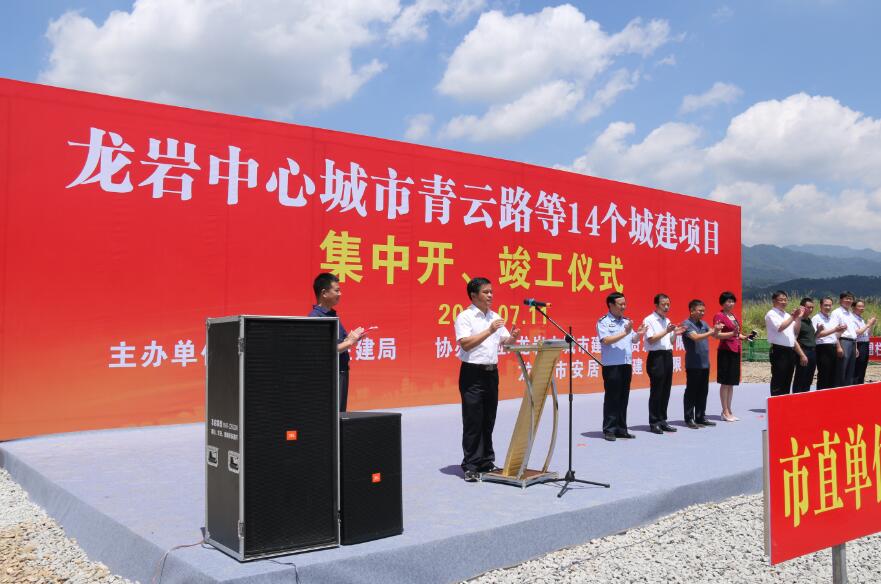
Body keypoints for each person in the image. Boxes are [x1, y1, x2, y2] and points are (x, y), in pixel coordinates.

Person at [454, 277, 521, 482]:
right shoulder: (465, 317)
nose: (490, 295)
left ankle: (486, 461)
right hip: (472, 373)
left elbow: (505, 343)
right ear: (473, 295)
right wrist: (490, 330)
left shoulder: (495, 316)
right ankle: (471, 465)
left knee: (488, 418)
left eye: (491, 291)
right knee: (473, 420)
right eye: (486, 292)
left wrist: (512, 338)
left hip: (491, 373)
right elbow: (465, 344)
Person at [309, 273, 367, 412]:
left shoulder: (332, 315)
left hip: (341, 371)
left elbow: (340, 342)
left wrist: (353, 338)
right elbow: (323, 350)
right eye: (336, 290)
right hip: (329, 376)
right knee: (332, 416)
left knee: (339, 414)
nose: (340, 294)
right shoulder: (316, 318)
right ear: (324, 293)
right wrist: (350, 342)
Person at [598, 292, 646, 441]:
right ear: (611, 305)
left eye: (625, 304)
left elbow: (634, 340)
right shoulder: (603, 321)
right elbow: (606, 340)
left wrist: (639, 334)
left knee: (623, 397)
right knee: (612, 397)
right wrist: (625, 332)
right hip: (612, 365)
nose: (624, 307)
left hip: (626, 364)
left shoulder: (626, 321)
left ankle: (621, 428)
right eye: (621, 304)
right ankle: (609, 429)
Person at [642, 294, 686, 434]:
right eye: (663, 304)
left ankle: (662, 420)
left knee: (666, 390)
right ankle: (654, 422)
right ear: (656, 305)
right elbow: (651, 339)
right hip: (656, 357)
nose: (666, 307)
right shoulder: (649, 320)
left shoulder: (667, 320)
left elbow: (670, 341)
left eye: (668, 304)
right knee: (657, 390)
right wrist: (667, 330)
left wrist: (675, 333)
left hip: (667, 355)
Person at [681, 299, 723, 429]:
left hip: (705, 364)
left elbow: (715, 335)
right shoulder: (686, 324)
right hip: (693, 364)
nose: (702, 313)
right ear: (692, 311)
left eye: (704, 311)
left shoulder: (703, 323)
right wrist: (712, 331)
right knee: (691, 391)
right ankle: (689, 418)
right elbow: (696, 337)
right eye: (700, 311)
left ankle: (700, 417)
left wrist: (717, 329)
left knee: (703, 391)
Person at [714, 291, 750, 422]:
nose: (731, 303)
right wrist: (732, 334)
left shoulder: (733, 316)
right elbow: (717, 335)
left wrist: (745, 337)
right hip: (725, 351)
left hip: (735, 350)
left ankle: (729, 410)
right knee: (725, 382)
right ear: (722, 303)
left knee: (731, 383)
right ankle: (724, 411)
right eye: (728, 301)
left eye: (732, 301)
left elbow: (736, 333)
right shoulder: (719, 316)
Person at [764, 291, 804, 396]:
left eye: (785, 300)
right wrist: (793, 317)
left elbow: (796, 331)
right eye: (781, 300)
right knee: (779, 379)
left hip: (790, 350)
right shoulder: (771, 314)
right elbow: (780, 327)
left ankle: (784, 402)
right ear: (774, 301)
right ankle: (775, 403)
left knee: (787, 379)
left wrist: (798, 318)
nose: (784, 302)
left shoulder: (786, 315)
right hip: (779, 350)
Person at [812, 296, 846, 390]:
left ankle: (830, 395)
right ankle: (821, 395)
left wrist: (841, 333)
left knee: (833, 374)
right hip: (822, 348)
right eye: (825, 305)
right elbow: (817, 335)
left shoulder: (831, 318)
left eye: (830, 305)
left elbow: (834, 335)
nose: (828, 307)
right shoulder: (816, 318)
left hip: (833, 346)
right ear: (820, 305)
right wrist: (835, 329)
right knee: (824, 374)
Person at [832, 291, 858, 387]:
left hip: (852, 342)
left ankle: (847, 390)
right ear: (840, 300)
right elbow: (834, 331)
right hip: (843, 342)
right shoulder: (836, 313)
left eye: (850, 299)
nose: (848, 300)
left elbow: (853, 332)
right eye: (846, 298)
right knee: (841, 369)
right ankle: (839, 391)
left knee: (850, 370)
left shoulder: (850, 314)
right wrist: (838, 346)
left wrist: (855, 347)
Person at [791, 298, 817, 393]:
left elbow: (811, 337)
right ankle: (797, 398)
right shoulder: (797, 320)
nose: (811, 309)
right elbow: (794, 338)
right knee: (800, 378)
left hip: (812, 351)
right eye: (808, 307)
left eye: (812, 307)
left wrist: (818, 331)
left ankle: (806, 398)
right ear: (802, 307)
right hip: (803, 351)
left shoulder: (809, 320)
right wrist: (802, 355)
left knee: (808, 378)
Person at [853, 299, 876, 384]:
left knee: (863, 367)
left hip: (865, 344)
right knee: (857, 368)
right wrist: (868, 324)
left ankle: (860, 384)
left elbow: (869, 334)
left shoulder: (861, 319)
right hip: (858, 344)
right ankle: (855, 386)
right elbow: (857, 332)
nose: (861, 308)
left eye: (863, 306)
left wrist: (871, 325)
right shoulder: (852, 318)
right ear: (853, 307)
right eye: (859, 306)